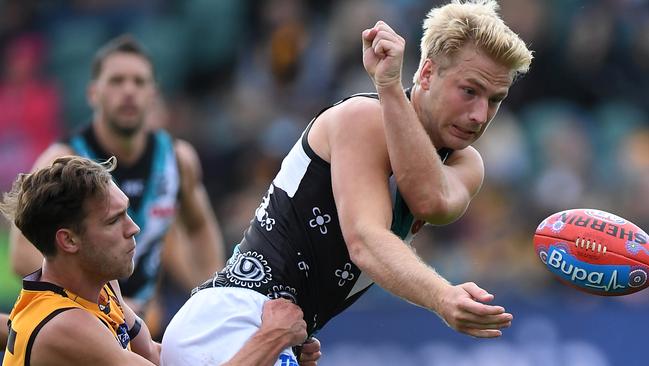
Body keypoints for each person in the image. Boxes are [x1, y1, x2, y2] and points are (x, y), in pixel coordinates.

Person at [161, 0, 533, 364]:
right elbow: (366, 243)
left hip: (275, 333)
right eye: (469, 91)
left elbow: (430, 200)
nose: (480, 114)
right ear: (427, 73)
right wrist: (442, 296)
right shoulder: (363, 117)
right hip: (232, 321)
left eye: (495, 99)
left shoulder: (466, 164)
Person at [0, 156, 319, 365]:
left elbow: (155, 354)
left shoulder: (98, 286)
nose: (133, 228)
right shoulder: (65, 325)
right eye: (114, 221)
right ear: (68, 240)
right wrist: (272, 336)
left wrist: (274, 354)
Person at [8, 34, 225, 315]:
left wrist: (211, 297)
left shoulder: (177, 159)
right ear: (93, 93)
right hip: (82, 316)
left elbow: (199, 227)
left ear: (153, 94)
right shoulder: (60, 162)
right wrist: (107, 302)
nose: (128, 91)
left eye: (139, 82)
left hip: (146, 321)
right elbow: (21, 254)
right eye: (116, 81)